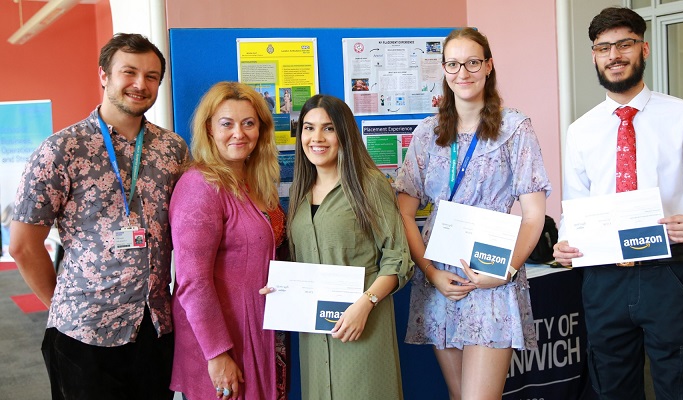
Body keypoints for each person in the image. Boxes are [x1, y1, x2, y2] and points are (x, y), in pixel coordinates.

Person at [553, 7, 683, 400]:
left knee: (681, 384)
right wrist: (565, 240)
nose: (614, 55)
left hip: (666, 273)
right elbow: (574, 207)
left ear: (644, 49)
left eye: (624, 44)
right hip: (602, 278)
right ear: (594, 56)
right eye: (603, 47)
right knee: (611, 387)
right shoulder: (581, 131)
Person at [9, 33, 188, 399]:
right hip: (84, 333)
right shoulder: (61, 150)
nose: (140, 84)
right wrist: (65, 307)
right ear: (104, 75)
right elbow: (23, 246)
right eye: (129, 72)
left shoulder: (172, 148)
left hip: (155, 328)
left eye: (151, 76)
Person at [394, 28, 550, 399]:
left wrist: (506, 270)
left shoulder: (514, 128)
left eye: (472, 62)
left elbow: (533, 216)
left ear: (488, 66)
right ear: (444, 70)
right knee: (459, 394)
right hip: (441, 280)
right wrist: (431, 272)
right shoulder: (427, 133)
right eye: (453, 63)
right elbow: (403, 211)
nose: (462, 72)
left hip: (492, 271)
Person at [270, 94, 411, 400]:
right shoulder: (298, 192)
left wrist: (365, 304)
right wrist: (281, 289)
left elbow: (398, 258)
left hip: (363, 327)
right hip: (314, 335)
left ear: (344, 133)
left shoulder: (369, 184)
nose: (316, 138)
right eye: (308, 128)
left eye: (328, 128)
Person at [169, 82, 287, 400]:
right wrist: (218, 353)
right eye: (227, 124)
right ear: (209, 128)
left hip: (261, 331)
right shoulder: (200, 186)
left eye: (248, 123)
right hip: (225, 340)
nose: (239, 133)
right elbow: (192, 282)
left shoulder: (256, 183)